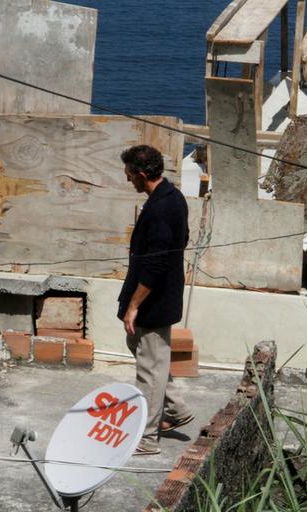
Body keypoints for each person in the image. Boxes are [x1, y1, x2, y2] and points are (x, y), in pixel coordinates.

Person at [118, 144, 194, 455]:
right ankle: (176, 408)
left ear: (140, 174)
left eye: (128, 175)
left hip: (153, 302)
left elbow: (156, 265)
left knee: (149, 369)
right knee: (150, 355)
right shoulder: (171, 197)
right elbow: (182, 240)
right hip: (159, 297)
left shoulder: (162, 208)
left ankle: (146, 438)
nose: (127, 182)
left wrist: (134, 306)